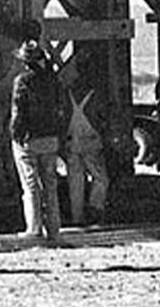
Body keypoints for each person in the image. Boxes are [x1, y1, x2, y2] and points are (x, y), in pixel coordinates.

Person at [8, 41, 69, 241]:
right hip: (50, 137)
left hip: (29, 138)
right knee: (50, 184)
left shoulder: (22, 81)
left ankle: (34, 228)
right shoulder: (53, 80)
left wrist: (15, 135)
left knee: (31, 184)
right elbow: (62, 107)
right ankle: (54, 229)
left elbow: (18, 110)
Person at [63, 92, 107, 226]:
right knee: (101, 178)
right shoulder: (94, 94)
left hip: (71, 141)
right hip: (91, 141)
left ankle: (77, 217)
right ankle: (95, 208)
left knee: (75, 182)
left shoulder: (66, 95)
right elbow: (100, 117)